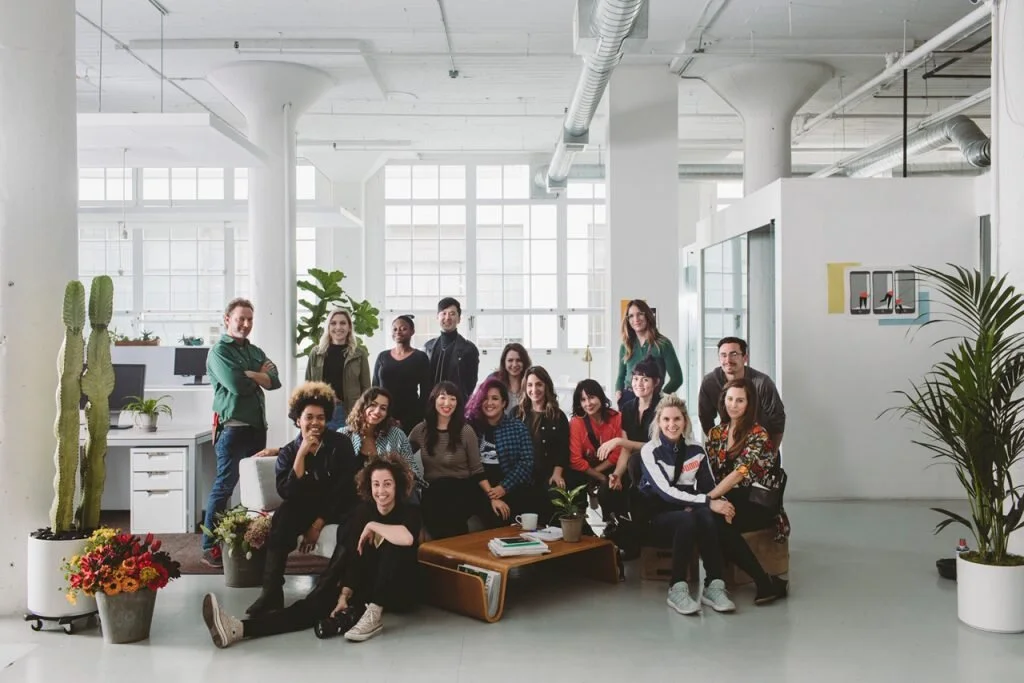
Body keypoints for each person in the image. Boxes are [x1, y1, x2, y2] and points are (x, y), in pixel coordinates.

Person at [201, 457, 422, 647]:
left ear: (397, 486)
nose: (381, 491)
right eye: (376, 484)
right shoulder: (364, 511)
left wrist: (374, 527)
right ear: (369, 487)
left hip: (398, 592)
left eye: (387, 484)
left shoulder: (409, 512)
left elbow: (407, 538)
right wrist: (344, 595)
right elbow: (355, 557)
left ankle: (374, 612)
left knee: (395, 542)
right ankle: (238, 629)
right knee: (311, 607)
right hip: (365, 588)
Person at [246, 382, 362, 616]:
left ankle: (324, 592)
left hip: (339, 506)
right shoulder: (290, 451)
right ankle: (270, 594)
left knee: (353, 524)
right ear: (298, 420)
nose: (315, 423)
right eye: (309, 417)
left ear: (327, 419)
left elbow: (343, 490)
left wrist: (318, 525)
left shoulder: (341, 444)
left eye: (321, 417)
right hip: (305, 505)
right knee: (282, 517)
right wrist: (301, 455)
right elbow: (287, 492)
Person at [635, 394, 736, 615]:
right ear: (659, 422)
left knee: (706, 516)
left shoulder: (696, 449)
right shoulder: (649, 450)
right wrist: (707, 502)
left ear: (685, 421)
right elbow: (666, 493)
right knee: (690, 517)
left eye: (677, 419)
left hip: (687, 509)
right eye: (666, 420)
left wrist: (719, 504)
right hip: (656, 516)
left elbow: (708, 487)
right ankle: (677, 587)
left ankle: (714, 584)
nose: (672, 425)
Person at [202, 298, 282, 566]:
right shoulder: (218, 352)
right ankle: (209, 547)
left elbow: (275, 380)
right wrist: (256, 374)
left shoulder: (253, 349)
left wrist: (251, 374)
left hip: (257, 427)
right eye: (240, 319)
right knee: (224, 486)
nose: (246, 324)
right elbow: (237, 385)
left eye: (250, 319)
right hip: (233, 429)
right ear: (227, 319)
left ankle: (251, 543)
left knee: (255, 487)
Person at [705, 379, 792, 603]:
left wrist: (707, 499)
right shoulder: (716, 433)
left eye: (740, 400)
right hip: (729, 497)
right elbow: (709, 471)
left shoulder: (759, 434)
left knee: (716, 518)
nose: (733, 405)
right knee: (716, 519)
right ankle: (765, 583)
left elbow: (739, 474)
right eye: (730, 399)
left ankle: (750, 582)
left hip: (758, 501)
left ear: (749, 403)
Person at [409, 382, 497, 538]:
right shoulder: (421, 430)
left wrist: (493, 497)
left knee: (453, 514)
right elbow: (403, 455)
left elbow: (477, 470)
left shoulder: (465, 431)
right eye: (442, 397)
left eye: (453, 399)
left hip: (461, 490)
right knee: (435, 503)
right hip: (434, 491)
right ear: (434, 400)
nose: (447, 403)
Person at [596, 358, 662, 522]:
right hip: (631, 465)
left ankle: (637, 533)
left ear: (656, 382)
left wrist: (618, 441)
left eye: (645, 379)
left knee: (634, 491)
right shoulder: (627, 407)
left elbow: (655, 447)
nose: (639, 383)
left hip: (657, 466)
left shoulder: (663, 408)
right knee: (607, 488)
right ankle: (616, 528)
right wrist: (617, 474)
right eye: (635, 378)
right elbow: (626, 449)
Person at [465, 378, 535, 522]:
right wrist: (491, 495)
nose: (489, 403)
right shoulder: (471, 427)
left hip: (512, 487)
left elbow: (526, 462)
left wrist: (503, 488)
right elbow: (468, 464)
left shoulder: (517, 427)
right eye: (485, 398)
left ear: (504, 403)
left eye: (495, 398)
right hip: (479, 488)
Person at [697, 336, 786, 448]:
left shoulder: (762, 383)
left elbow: (778, 418)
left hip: (760, 444)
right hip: (728, 445)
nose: (728, 360)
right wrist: (717, 445)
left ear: (745, 358)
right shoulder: (710, 382)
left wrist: (772, 451)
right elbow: (705, 417)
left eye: (733, 354)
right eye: (723, 355)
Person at [339, 388, 424, 493]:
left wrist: (407, 479)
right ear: (362, 406)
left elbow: (412, 469)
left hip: (388, 495)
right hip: (352, 495)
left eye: (383, 408)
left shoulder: (396, 434)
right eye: (373, 405)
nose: (377, 411)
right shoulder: (343, 434)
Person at [305, 308, 371, 428]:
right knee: (319, 446)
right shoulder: (316, 353)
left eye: (343, 323)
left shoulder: (359, 355)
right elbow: (308, 384)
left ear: (349, 327)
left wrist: (362, 413)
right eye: (333, 323)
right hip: (321, 410)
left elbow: (366, 389)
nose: (338, 327)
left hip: (349, 412)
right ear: (328, 327)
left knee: (346, 445)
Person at [615, 299, 682, 407]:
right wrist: (618, 391)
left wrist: (662, 396)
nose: (636, 319)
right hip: (628, 399)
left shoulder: (663, 344)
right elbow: (621, 375)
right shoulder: (625, 345)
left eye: (639, 314)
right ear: (627, 320)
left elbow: (677, 378)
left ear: (648, 316)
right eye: (631, 316)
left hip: (653, 399)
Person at [372, 314, 430, 434]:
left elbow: (426, 392)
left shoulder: (420, 357)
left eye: (403, 328)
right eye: (395, 329)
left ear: (412, 331)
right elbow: (374, 389)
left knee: (406, 452)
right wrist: (383, 416)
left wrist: (410, 420)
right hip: (383, 415)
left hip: (411, 417)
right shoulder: (382, 356)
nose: (398, 331)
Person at [568, 379, 624, 490]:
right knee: (574, 477)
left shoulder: (617, 418)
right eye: (583, 399)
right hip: (584, 469)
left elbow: (618, 453)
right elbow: (575, 460)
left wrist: (597, 473)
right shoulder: (576, 422)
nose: (588, 403)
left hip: (610, 466)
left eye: (591, 397)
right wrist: (600, 477)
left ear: (600, 396)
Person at [423, 297, 479, 399]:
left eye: (452, 314)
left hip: (457, 405)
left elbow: (470, 384)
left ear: (459, 319)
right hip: (431, 405)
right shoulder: (428, 347)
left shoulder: (469, 349)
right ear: (437, 317)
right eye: (443, 313)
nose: (447, 317)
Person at [487, 343, 532, 418]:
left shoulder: (531, 381)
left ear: (524, 362)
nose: (514, 365)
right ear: (504, 362)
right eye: (510, 360)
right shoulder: (493, 379)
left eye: (519, 360)